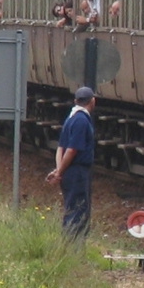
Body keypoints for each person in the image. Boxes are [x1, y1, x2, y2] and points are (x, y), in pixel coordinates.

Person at [45, 86, 95, 238]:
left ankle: (68, 248)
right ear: (93, 101)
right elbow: (71, 150)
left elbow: (60, 148)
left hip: (69, 171)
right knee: (78, 212)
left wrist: (59, 170)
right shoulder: (81, 121)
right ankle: (73, 250)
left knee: (71, 208)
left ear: (75, 101)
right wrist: (59, 172)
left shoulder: (71, 118)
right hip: (77, 172)